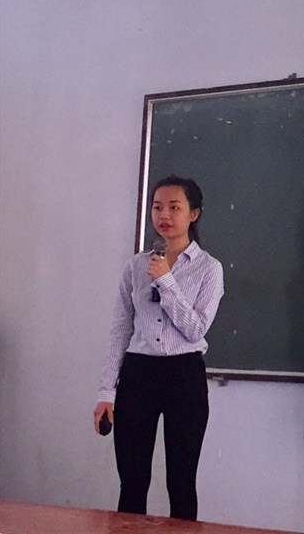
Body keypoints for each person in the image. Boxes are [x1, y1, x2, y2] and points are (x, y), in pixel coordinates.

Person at [93, 175, 224, 520]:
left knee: (181, 483)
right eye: (157, 207)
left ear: (194, 214)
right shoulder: (136, 266)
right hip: (138, 373)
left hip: (184, 375)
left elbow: (196, 329)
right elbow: (121, 329)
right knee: (132, 481)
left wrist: (166, 280)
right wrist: (106, 391)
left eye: (174, 207)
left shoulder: (209, 269)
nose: (163, 215)